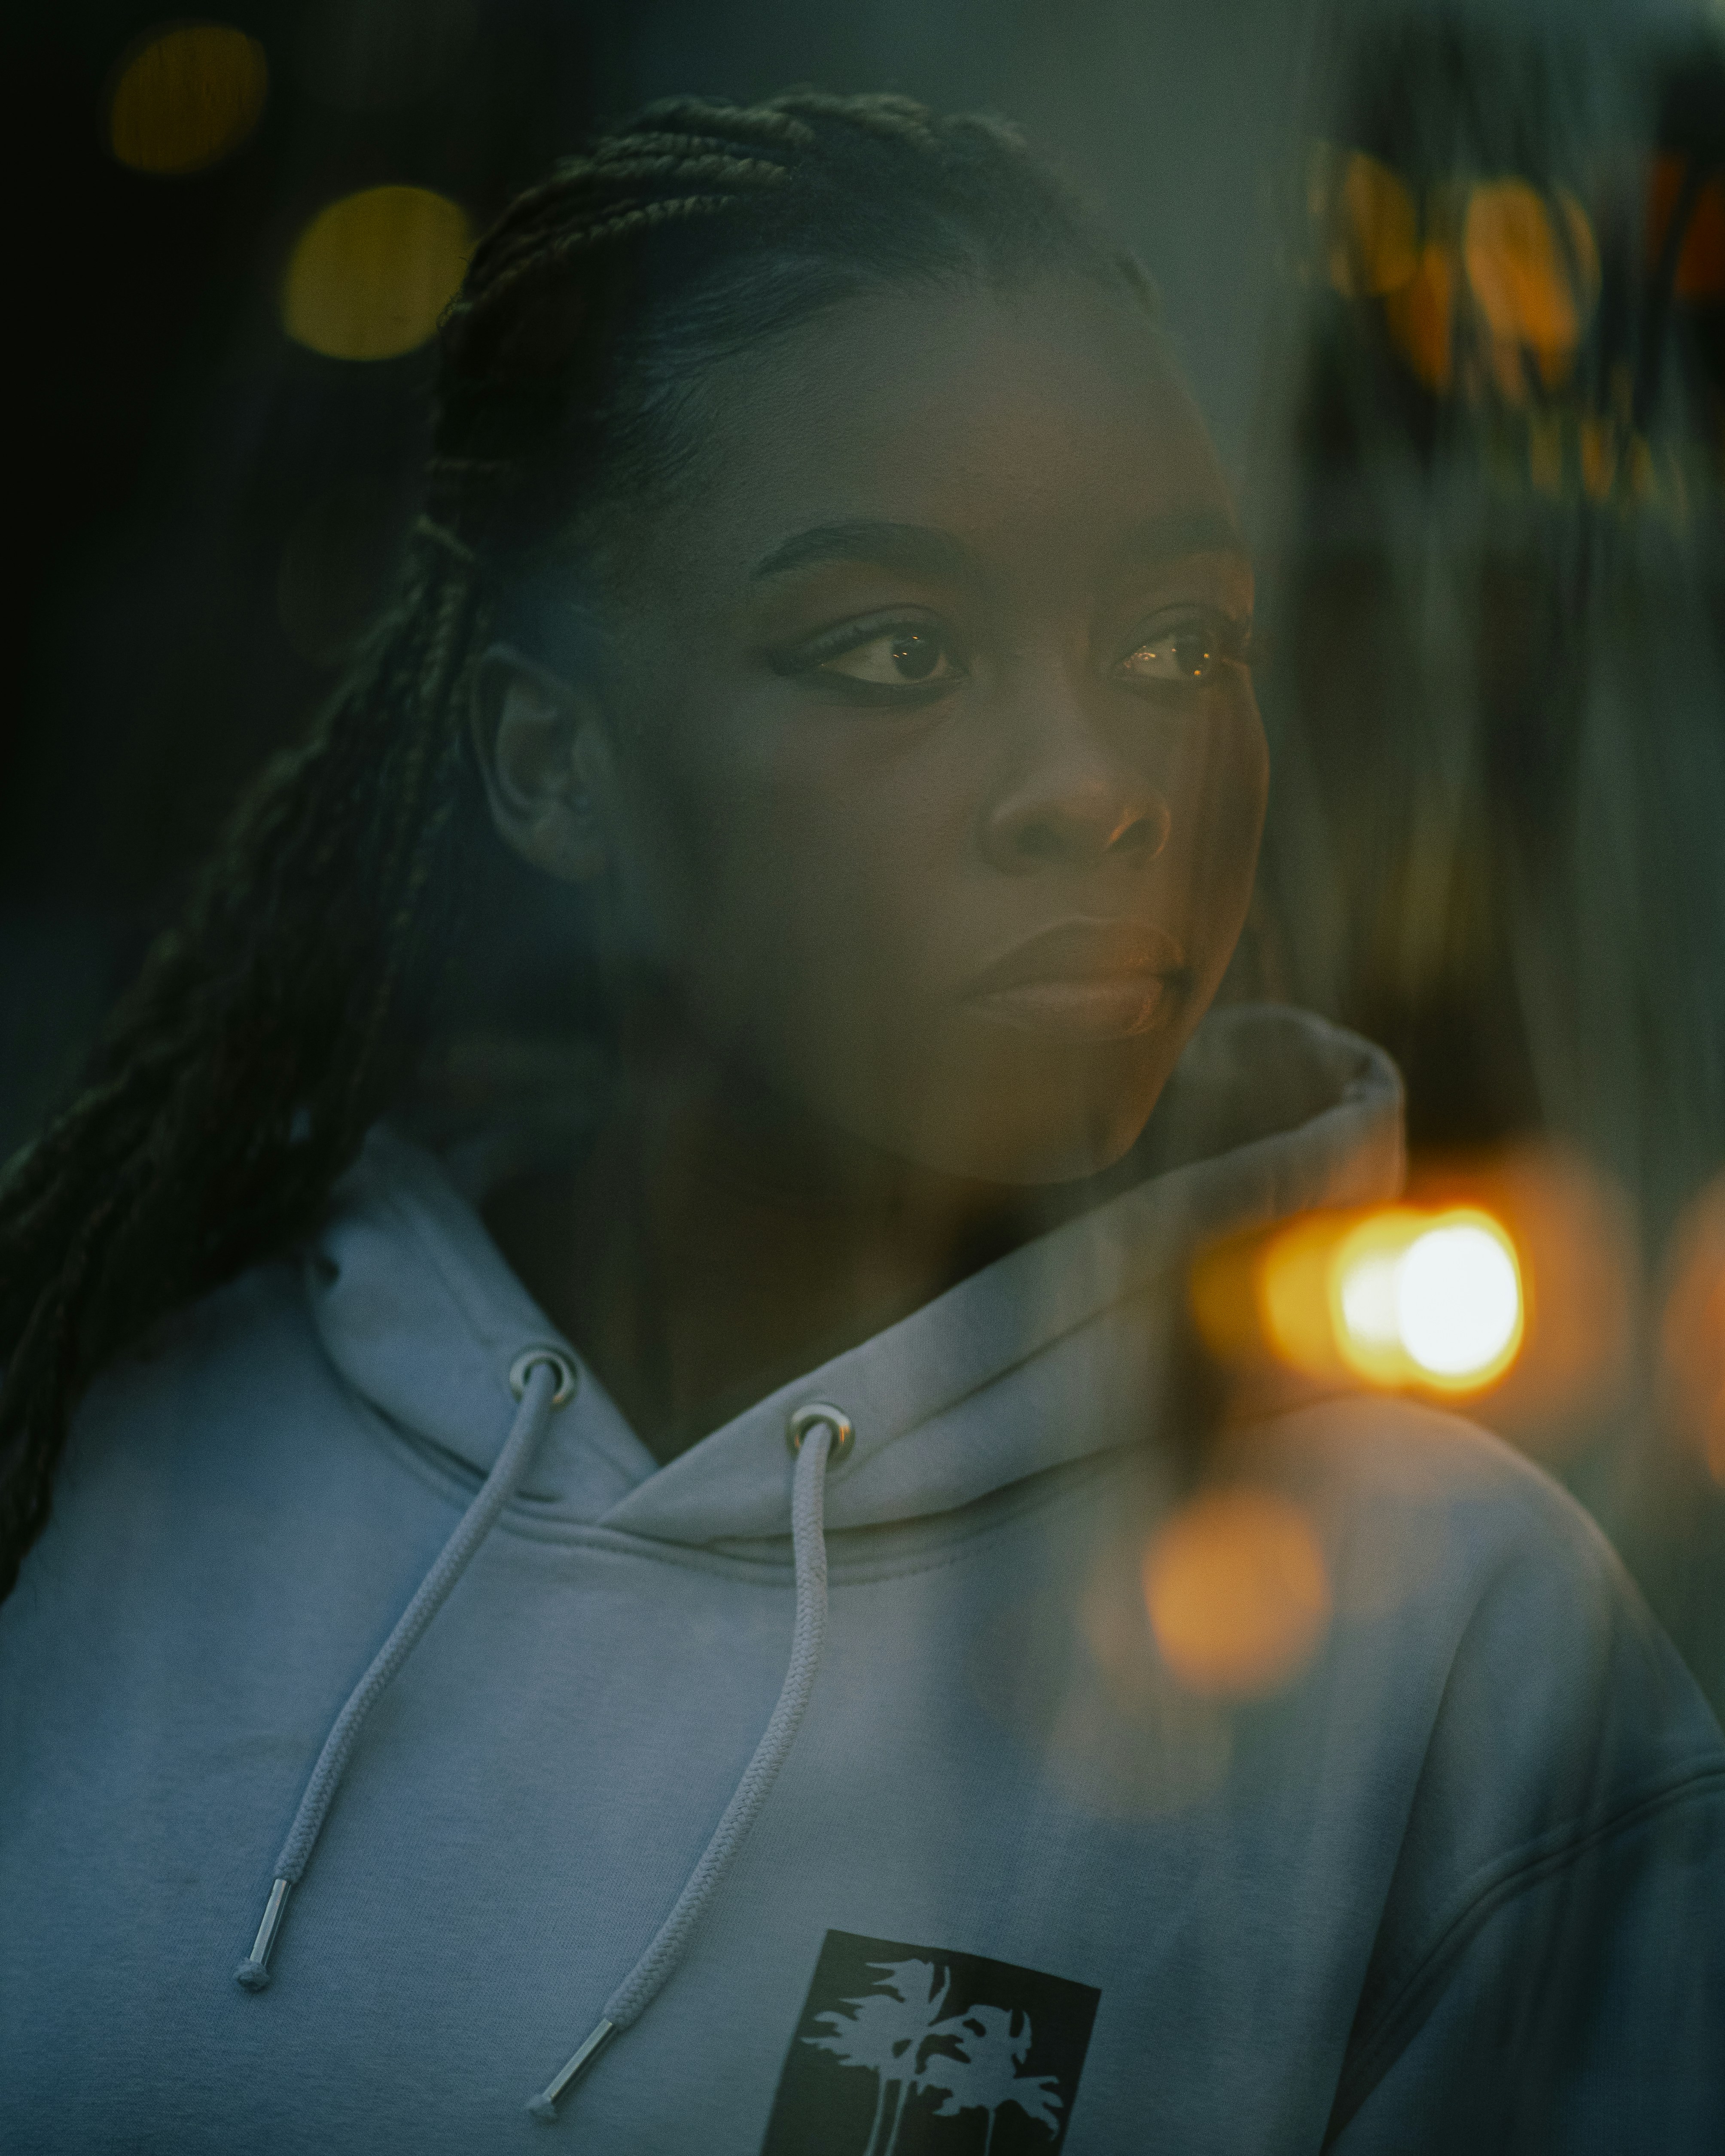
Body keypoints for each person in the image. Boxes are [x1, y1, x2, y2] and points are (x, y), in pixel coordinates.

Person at [0, 91, 1719, 2156]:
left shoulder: (1454, 1648)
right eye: (896, 649)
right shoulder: (90, 1449)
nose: (1101, 784)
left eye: (1179, 643)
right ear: (553, 770)